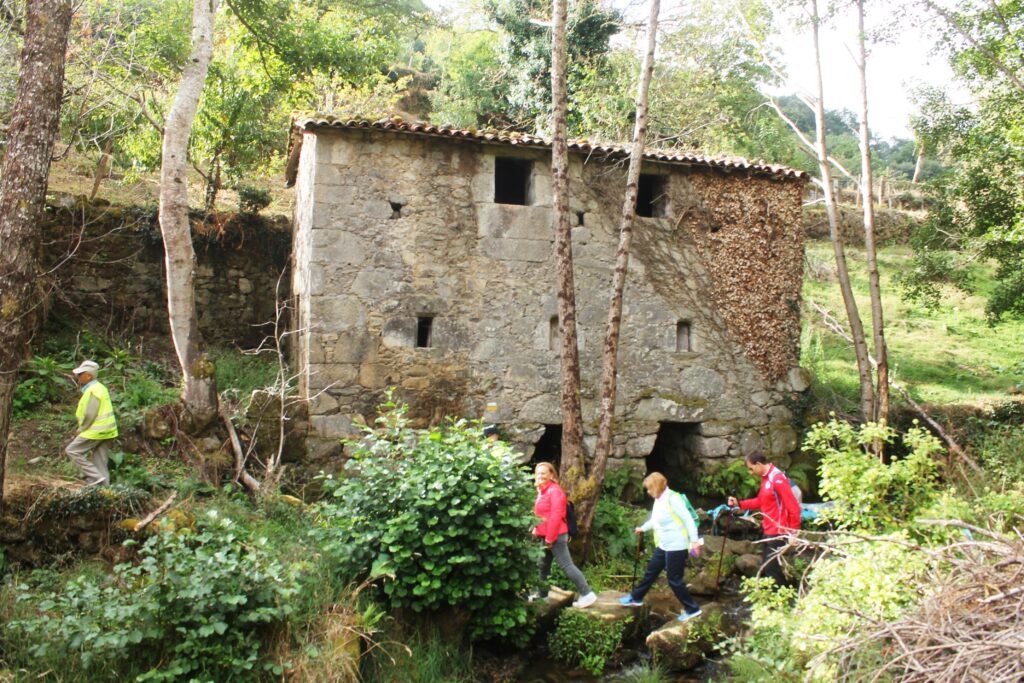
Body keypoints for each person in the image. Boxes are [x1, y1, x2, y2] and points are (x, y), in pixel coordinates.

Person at [618, 472, 703, 622]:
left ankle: (692, 609)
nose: (648, 492)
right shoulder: (659, 499)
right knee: (651, 572)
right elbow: (655, 519)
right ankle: (636, 597)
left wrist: (694, 541)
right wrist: (643, 528)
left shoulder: (673, 499)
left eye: (649, 489)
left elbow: (689, 520)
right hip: (664, 545)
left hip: (677, 546)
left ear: (657, 487)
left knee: (674, 580)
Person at [530, 461, 598, 608]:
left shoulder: (555, 491)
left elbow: (556, 516)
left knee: (567, 566)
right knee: (543, 565)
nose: (540, 475)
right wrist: (537, 529)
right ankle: (542, 594)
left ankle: (587, 594)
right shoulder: (543, 490)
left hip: (556, 536)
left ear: (551, 474)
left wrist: (549, 538)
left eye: (544, 473)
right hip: (546, 535)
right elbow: (543, 515)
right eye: (538, 473)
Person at [727, 452, 801, 585]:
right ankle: (781, 595)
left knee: (772, 569)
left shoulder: (777, 479)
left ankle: (780, 601)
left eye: (751, 468)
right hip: (768, 529)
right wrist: (740, 503)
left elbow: (793, 506)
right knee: (768, 567)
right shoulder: (766, 479)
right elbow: (761, 501)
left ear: (759, 464)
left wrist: (794, 532)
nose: (750, 473)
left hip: (779, 531)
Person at [65, 360, 118, 487]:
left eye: (80, 374)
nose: (78, 377)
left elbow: (90, 414)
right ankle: (105, 489)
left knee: (72, 451)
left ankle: (95, 477)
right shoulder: (100, 388)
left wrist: (82, 428)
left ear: (89, 376)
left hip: (96, 430)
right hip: (108, 430)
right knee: (100, 459)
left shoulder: (93, 390)